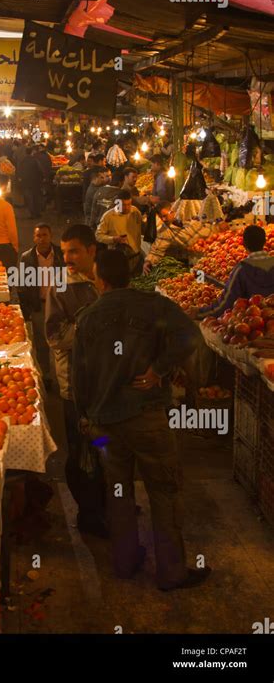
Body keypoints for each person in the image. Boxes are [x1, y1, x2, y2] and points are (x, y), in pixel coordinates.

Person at [72, 248, 211, 590]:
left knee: (117, 492)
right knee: (163, 492)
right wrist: (158, 369)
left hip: (105, 426)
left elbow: (80, 378)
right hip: (147, 419)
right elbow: (191, 336)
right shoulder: (154, 305)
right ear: (129, 276)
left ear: (99, 279)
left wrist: (85, 418)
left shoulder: (87, 318)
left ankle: (125, 561)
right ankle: (171, 572)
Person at [45, 224, 106, 536]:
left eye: (74, 251)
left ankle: (107, 502)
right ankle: (88, 511)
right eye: (64, 251)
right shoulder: (60, 285)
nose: (67, 257)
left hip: (105, 385)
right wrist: (88, 330)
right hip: (75, 386)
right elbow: (54, 335)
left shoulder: (102, 280)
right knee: (80, 448)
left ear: (91, 250)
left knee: (104, 445)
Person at [191, 225, 274, 318]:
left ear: (244, 244)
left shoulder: (241, 269)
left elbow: (226, 303)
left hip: (251, 324)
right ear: (264, 242)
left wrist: (200, 312)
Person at [18, 224, 65, 389]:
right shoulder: (27, 258)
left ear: (50, 236)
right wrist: (27, 311)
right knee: (42, 344)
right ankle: (46, 376)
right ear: (34, 238)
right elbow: (22, 286)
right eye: (38, 236)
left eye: (45, 235)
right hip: (39, 307)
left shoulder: (60, 255)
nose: (42, 239)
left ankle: (63, 377)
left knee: (61, 342)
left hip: (59, 308)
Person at [143, 202, 225, 274]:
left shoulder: (191, 213)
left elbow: (209, 218)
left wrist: (219, 225)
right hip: (195, 260)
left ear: (172, 211)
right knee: (202, 281)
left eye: (165, 216)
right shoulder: (165, 231)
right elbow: (157, 249)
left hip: (215, 251)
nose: (163, 219)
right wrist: (148, 261)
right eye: (161, 217)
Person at [95, 189, 143, 275]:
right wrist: (113, 239)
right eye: (124, 205)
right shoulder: (108, 216)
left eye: (129, 204)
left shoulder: (135, 212)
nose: (127, 207)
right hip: (117, 259)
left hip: (136, 256)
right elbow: (98, 235)